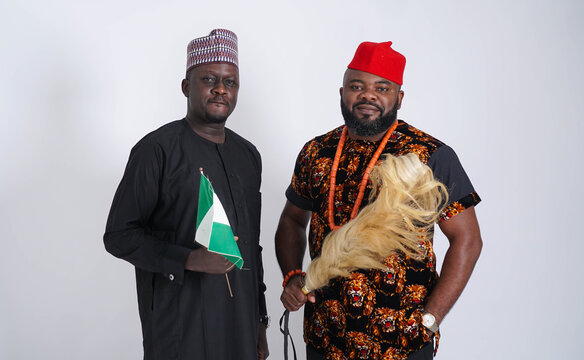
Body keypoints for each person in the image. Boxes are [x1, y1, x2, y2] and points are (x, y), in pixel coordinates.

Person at [276, 41, 482, 360]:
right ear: (342, 92)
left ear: (398, 98)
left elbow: (466, 240)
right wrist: (291, 274)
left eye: (381, 88)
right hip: (325, 338)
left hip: (401, 343)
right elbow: (292, 220)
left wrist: (430, 319)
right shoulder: (316, 152)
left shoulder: (430, 155)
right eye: (357, 86)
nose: (368, 95)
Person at [104, 29, 269, 360]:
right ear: (186, 87)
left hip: (239, 327)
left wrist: (259, 324)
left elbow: (252, 247)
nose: (221, 89)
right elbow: (119, 236)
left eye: (231, 82)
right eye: (210, 79)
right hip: (180, 325)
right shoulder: (156, 150)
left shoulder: (248, 155)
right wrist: (189, 259)